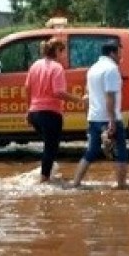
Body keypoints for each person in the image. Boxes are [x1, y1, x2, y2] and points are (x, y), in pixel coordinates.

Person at [25, 37, 85, 183]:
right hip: (50, 114)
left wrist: (28, 110)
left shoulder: (35, 65)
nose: (64, 55)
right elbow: (58, 92)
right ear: (57, 51)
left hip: (34, 113)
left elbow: (27, 87)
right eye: (63, 52)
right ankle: (44, 179)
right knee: (50, 148)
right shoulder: (57, 68)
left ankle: (46, 173)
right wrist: (79, 100)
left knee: (48, 146)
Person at [72, 40, 128, 189]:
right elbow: (110, 96)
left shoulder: (93, 69)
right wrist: (112, 120)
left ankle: (75, 183)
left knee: (91, 152)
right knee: (121, 152)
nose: (121, 57)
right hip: (108, 118)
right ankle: (122, 186)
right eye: (119, 53)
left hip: (94, 118)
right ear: (112, 53)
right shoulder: (111, 69)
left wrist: (88, 118)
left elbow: (88, 95)